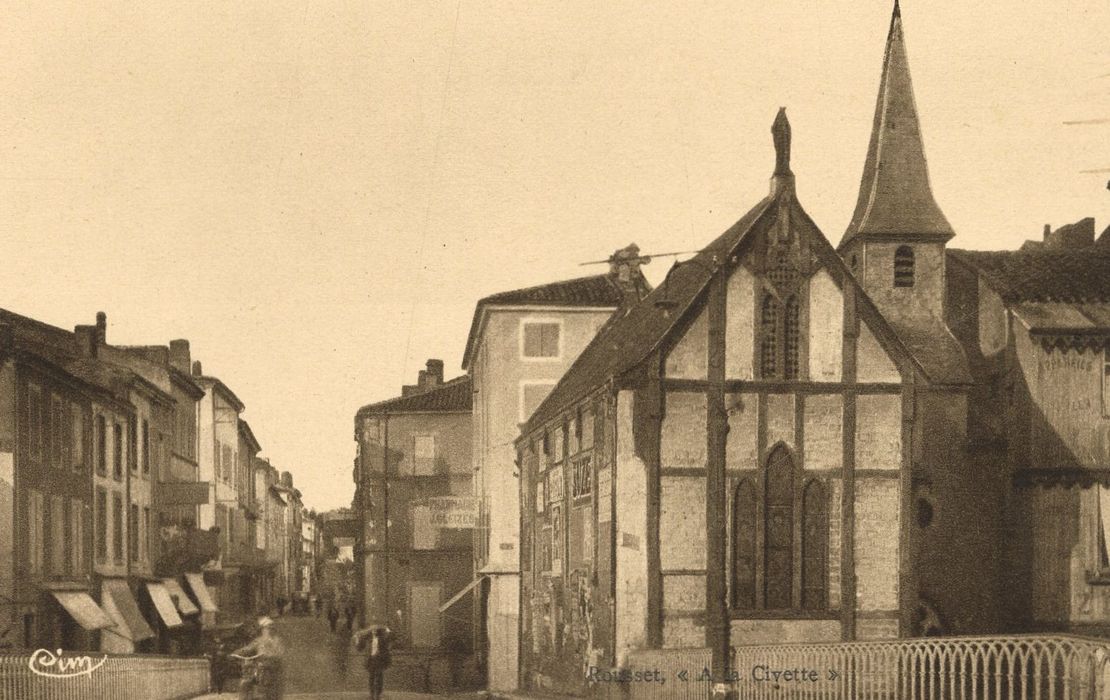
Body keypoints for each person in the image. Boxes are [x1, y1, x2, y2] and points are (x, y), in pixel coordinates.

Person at [231, 616, 285, 700]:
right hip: (261, 668)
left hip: (274, 669)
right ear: (262, 630)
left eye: (270, 628)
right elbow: (248, 649)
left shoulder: (277, 640)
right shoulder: (259, 641)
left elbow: (280, 652)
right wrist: (236, 653)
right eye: (266, 628)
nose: (268, 630)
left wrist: (271, 656)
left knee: (273, 690)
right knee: (245, 682)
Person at [354, 625, 391, 700]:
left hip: (379, 660)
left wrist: (388, 631)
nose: (374, 632)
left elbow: (387, 647)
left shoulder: (382, 639)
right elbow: (359, 648)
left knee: (379, 676)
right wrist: (357, 640)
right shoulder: (368, 640)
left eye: (375, 630)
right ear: (371, 632)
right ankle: (372, 693)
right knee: (371, 677)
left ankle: (378, 693)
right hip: (370, 660)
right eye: (373, 631)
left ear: (378, 632)